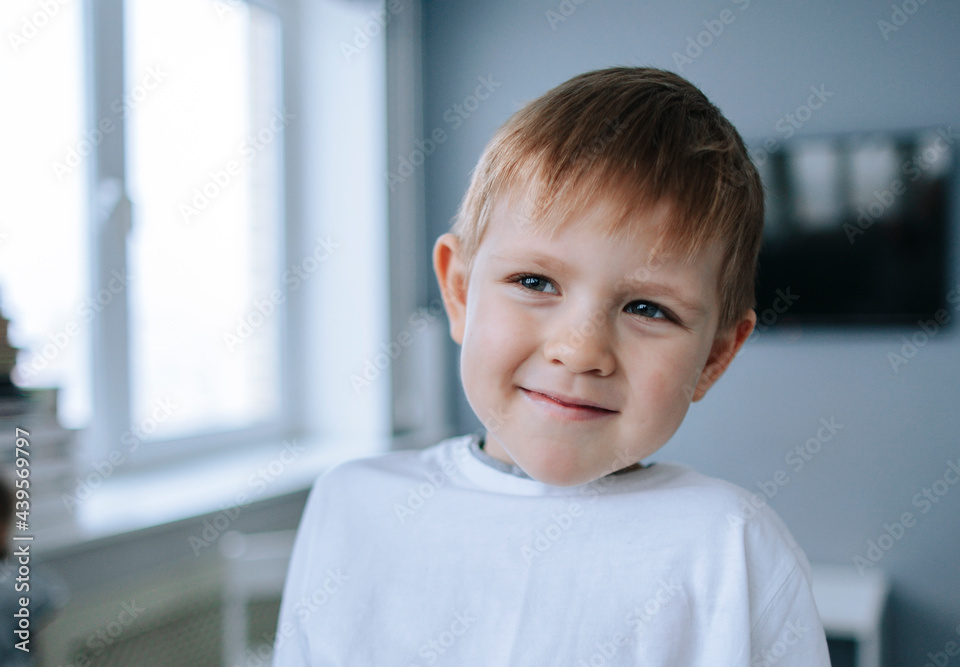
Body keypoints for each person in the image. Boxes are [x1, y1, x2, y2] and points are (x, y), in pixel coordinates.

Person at [273, 66, 831, 666]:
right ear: (459, 293)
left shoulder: (732, 547)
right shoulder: (352, 506)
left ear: (715, 355)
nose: (581, 350)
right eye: (535, 282)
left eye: (648, 308)